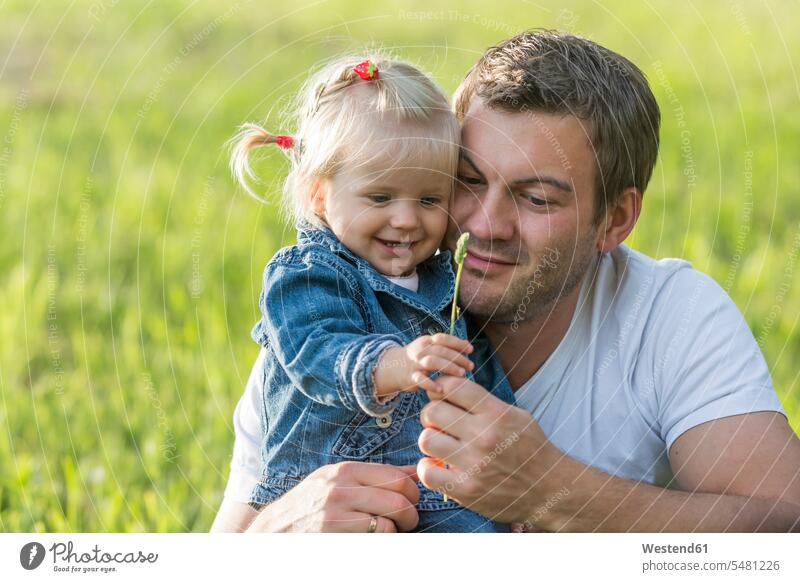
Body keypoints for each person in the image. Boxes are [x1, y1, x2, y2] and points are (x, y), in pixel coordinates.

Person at [212, 31, 800, 533]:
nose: (484, 224)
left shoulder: (668, 315)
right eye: (464, 180)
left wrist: (551, 490)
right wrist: (275, 536)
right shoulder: (341, 314)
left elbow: (785, 524)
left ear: (615, 220)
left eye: (536, 197)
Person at [227, 55, 515, 533]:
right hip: (329, 494)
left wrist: (512, 477)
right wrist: (396, 365)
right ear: (319, 195)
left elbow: (479, 372)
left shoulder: (443, 279)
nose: (405, 219)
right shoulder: (308, 273)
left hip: (438, 494)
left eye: (428, 200)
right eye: (380, 198)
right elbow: (317, 353)